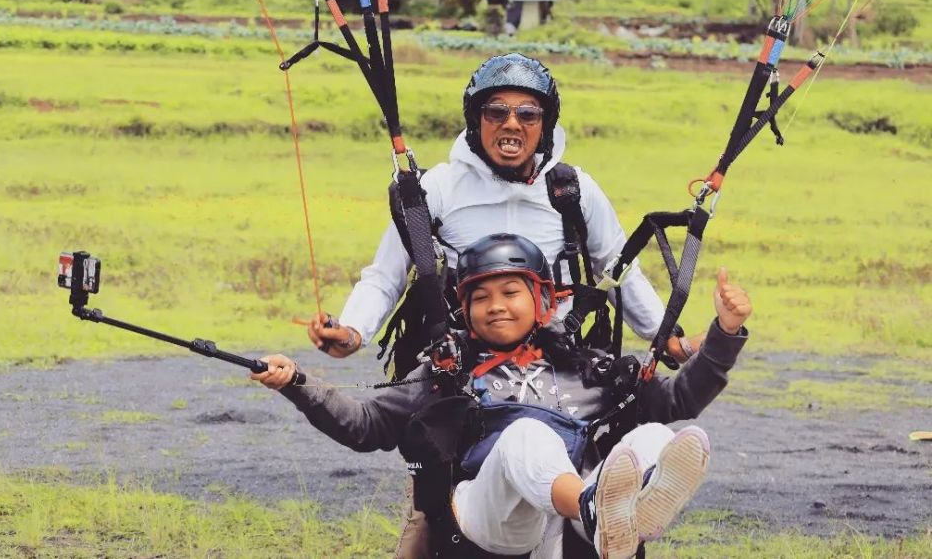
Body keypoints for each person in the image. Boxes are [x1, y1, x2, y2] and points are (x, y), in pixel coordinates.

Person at [257, 233, 751, 558]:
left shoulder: (589, 367)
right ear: (464, 310)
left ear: (542, 302)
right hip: (490, 522)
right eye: (479, 297)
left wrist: (725, 332)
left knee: (654, 435)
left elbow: (676, 402)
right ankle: (594, 507)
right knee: (526, 435)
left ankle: (626, 519)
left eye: (509, 293)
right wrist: (299, 384)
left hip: (570, 536)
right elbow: (365, 426)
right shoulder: (444, 373)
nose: (494, 307)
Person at [305, 53, 702, 366]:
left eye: (527, 114)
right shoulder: (438, 188)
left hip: (556, 357)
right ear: (477, 121)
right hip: (460, 357)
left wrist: (665, 336)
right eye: (496, 112)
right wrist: (353, 330)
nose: (511, 123)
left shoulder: (572, 189)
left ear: (543, 126)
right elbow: (384, 276)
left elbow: (618, 271)